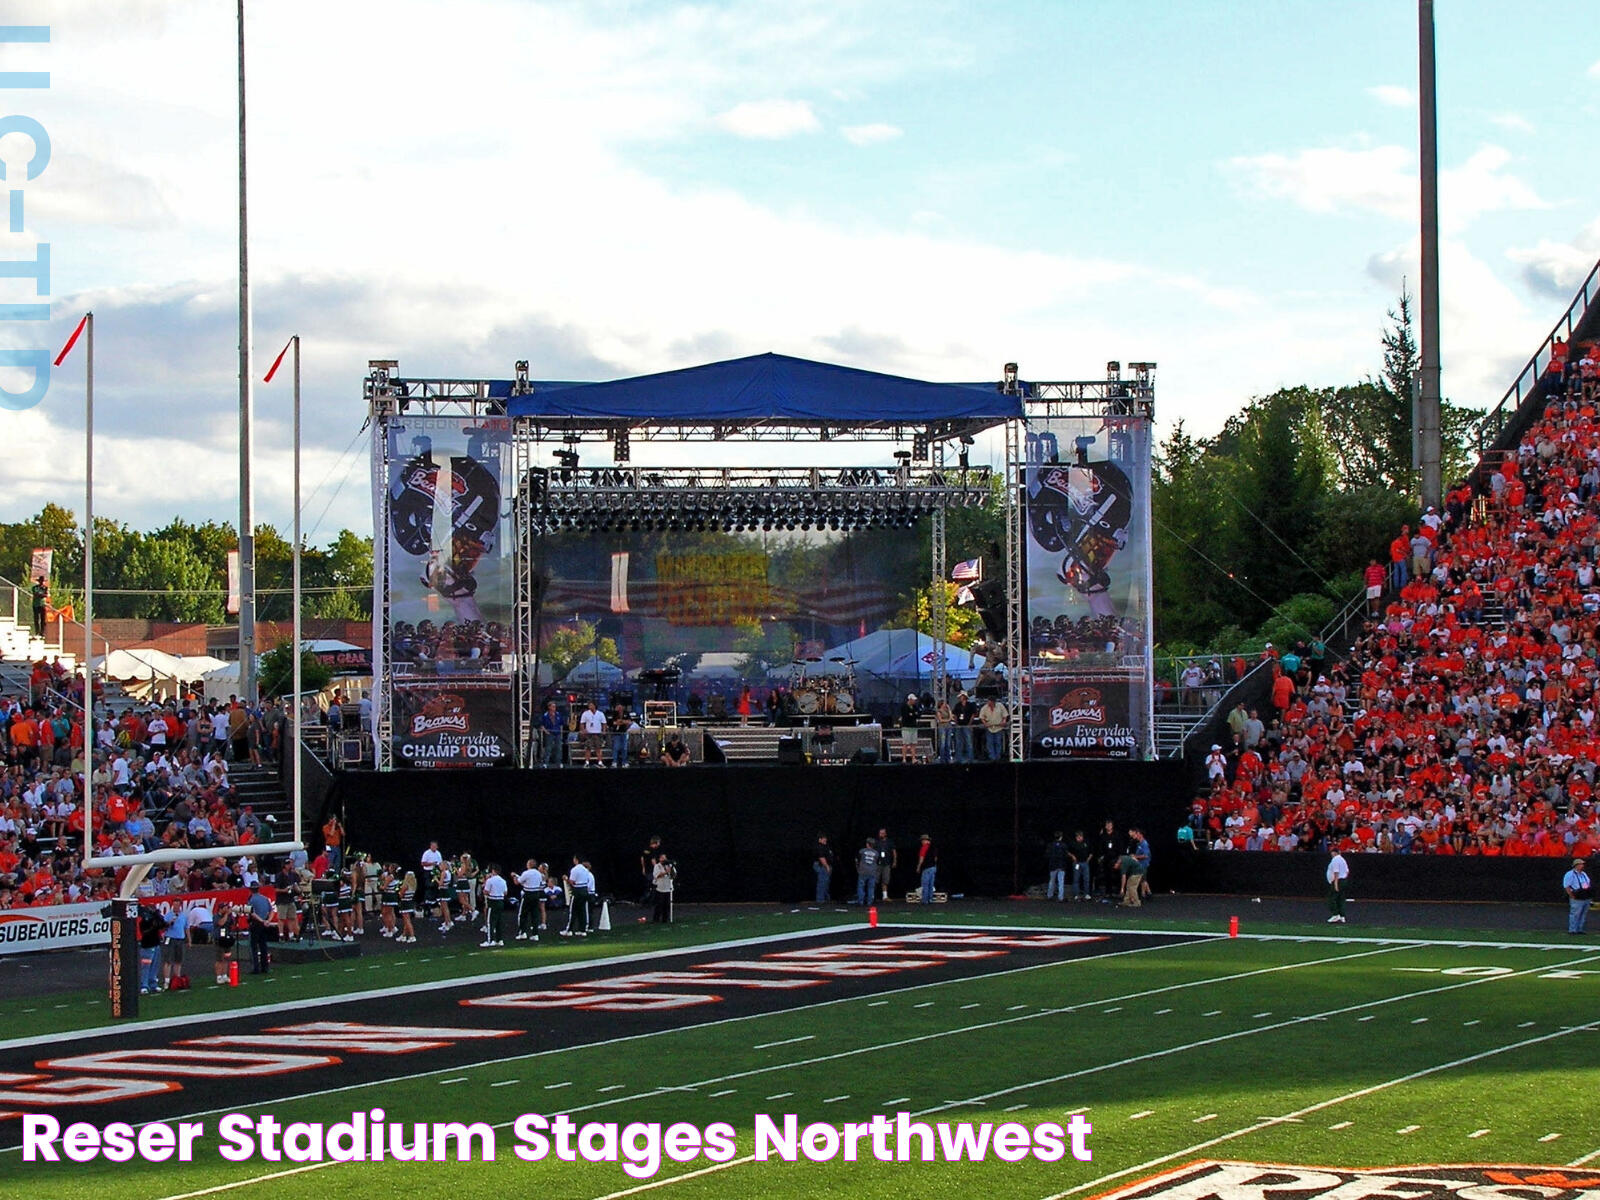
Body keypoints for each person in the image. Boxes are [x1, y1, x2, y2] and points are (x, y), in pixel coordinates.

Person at [247, 882, 276, 973]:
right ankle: (265, 967)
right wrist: (267, 921)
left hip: (256, 924)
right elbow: (272, 911)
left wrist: (261, 920)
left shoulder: (251, 900)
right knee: (263, 945)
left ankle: (256, 968)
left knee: (254, 946)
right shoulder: (264, 899)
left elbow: (251, 913)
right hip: (264, 924)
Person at [562, 855, 595, 936]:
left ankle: (569, 930)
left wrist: (566, 879)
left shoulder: (574, 869)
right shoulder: (585, 870)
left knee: (573, 911)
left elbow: (572, 882)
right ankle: (582, 930)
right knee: (582, 911)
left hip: (578, 891)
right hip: (584, 890)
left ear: (576, 860)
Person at [515, 859, 545, 940]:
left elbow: (518, 882)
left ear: (530, 865)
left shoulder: (526, 873)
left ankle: (523, 932)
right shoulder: (539, 874)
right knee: (535, 914)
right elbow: (541, 883)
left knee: (523, 914)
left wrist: (515, 876)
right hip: (536, 894)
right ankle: (535, 934)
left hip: (528, 894)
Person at [480, 863, 507, 947]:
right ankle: (500, 939)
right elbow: (505, 892)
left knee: (490, 922)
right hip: (501, 901)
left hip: (493, 901)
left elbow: (486, 891)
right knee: (499, 921)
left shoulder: (490, 880)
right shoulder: (503, 880)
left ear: (493, 871)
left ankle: (490, 940)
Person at [1564, 857, 1592, 935]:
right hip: (1576, 896)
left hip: (1585, 896)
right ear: (1576, 865)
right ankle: (1572, 930)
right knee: (1575, 914)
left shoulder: (1583, 874)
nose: (1582, 865)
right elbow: (1567, 886)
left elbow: (1587, 884)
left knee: (1583, 913)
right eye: (1581, 864)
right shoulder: (1570, 874)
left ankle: (1580, 929)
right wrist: (1571, 895)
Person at [578, 701, 606, 767]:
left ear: (594, 705)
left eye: (591, 705)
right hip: (589, 734)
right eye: (589, 705)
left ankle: (600, 762)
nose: (590, 706)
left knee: (598, 748)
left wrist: (604, 731)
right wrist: (583, 730)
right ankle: (587, 762)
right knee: (588, 748)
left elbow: (604, 723)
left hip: (598, 733)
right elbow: (582, 723)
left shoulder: (600, 714)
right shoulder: (585, 713)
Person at [853, 837, 880, 905]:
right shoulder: (876, 853)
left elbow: (857, 860)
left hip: (863, 871)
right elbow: (878, 862)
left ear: (867, 844)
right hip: (872, 871)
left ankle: (861, 901)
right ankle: (869, 901)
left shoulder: (862, 851)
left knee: (861, 886)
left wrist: (857, 868)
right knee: (871, 887)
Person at [1326, 847, 1350, 924]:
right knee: (1341, 898)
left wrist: (1336, 884)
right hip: (1343, 880)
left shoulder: (1335, 860)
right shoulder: (1343, 859)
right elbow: (1347, 872)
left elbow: (1336, 872)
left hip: (1338, 881)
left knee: (1332, 898)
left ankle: (1335, 914)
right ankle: (1342, 915)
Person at [1068, 830, 1093, 900]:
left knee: (1086, 879)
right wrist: (1072, 856)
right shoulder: (1073, 843)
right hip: (1077, 863)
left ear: (1082, 837)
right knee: (1076, 879)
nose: (1079, 838)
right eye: (1077, 837)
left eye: (1080, 837)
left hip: (1085, 863)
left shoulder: (1086, 843)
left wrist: (1088, 859)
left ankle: (1087, 894)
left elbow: (1091, 852)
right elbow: (1068, 851)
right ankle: (1076, 894)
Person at [539, 700, 565, 767]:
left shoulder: (558, 714)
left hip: (558, 733)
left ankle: (559, 763)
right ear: (549, 707)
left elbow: (561, 724)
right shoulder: (545, 715)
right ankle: (545, 763)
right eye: (553, 706)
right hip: (549, 733)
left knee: (558, 748)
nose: (554, 708)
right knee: (548, 749)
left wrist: (561, 732)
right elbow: (542, 725)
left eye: (555, 706)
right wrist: (546, 731)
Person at [651, 853, 675, 923]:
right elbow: (656, 875)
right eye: (662, 858)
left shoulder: (669, 865)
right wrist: (666, 872)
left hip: (668, 888)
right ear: (659, 859)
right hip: (660, 888)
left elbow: (674, 875)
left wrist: (671, 870)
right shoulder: (657, 866)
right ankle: (656, 919)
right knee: (659, 905)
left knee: (667, 905)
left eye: (665, 858)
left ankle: (665, 919)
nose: (664, 859)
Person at [1045, 831, 1068, 902]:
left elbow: (1047, 854)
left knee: (1052, 881)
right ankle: (1060, 897)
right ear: (1061, 837)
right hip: (1061, 865)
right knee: (1061, 881)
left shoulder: (1050, 845)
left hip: (1053, 865)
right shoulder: (1064, 845)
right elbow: (1065, 855)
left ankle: (1049, 895)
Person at [875, 827, 896, 902]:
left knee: (885, 880)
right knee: (875, 880)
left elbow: (894, 851)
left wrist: (894, 861)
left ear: (885, 834)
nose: (881, 834)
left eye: (882, 833)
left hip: (886, 863)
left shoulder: (890, 842)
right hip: (878, 863)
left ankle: (885, 896)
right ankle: (873, 896)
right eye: (880, 833)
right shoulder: (876, 842)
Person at [813, 833, 835, 903]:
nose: (825, 839)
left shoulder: (825, 846)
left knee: (826, 882)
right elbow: (821, 857)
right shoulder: (820, 847)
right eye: (823, 838)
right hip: (822, 866)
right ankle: (820, 900)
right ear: (820, 839)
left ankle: (825, 898)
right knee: (822, 882)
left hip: (827, 866)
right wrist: (826, 866)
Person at [916, 833, 938, 904]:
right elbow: (935, 858)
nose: (922, 842)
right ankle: (930, 899)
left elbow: (921, 858)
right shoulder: (933, 847)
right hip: (933, 867)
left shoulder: (924, 847)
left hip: (927, 868)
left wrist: (918, 867)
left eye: (922, 840)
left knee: (925, 884)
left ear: (925, 840)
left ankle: (925, 900)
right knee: (931, 884)